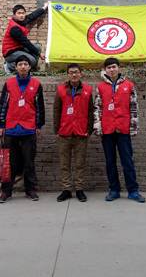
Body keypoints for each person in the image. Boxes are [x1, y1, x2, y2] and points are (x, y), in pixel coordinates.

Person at [94, 57, 145, 203]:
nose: (112, 69)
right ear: (105, 70)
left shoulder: (129, 85)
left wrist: (133, 127)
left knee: (127, 161)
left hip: (123, 129)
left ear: (119, 68)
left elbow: (134, 107)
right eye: (109, 67)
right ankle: (114, 190)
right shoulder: (100, 87)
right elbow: (97, 108)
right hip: (107, 129)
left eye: (114, 67)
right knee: (110, 162)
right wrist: (98, 126)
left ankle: (133, 191)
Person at [0, 55, 45, 203]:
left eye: (25, 64)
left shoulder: (36, 84)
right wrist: (1, 124)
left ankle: (30, 190)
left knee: (29, 162)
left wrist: (38, 125)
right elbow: (3, 105)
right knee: (9, 163)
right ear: (16, 67)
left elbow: (39, 107)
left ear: (29, 67)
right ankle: (6, 191)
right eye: (20, 64)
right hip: (11, 128)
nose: (23, 66)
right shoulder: (9, 83)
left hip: (29, 128)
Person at [53, 63, 94, 203]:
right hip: (64, 132)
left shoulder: (88, 90)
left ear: (81, 73)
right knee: (64, 164)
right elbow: (56, 110)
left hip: (81, 133)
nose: (74, 74)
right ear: (68, 74)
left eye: (76, 72)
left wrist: (89, 130)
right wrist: (57, 130)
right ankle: (66, 190)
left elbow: (91, 111)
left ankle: (79, 189)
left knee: (80, 163)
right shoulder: (61, 90)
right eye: (71, 72)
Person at [2, 2, 49, 73]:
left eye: (23, 13)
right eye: (19, 13)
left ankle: (31, 68)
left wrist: (44, 7)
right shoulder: (14, 28)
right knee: (32, 61)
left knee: (37, 47)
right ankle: (9, 66)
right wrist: (39, 54)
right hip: (10, 53)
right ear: (14, 15)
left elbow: (32, 16)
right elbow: (26, 43)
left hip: (18, 48)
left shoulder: (21, 21)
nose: (21, 15)